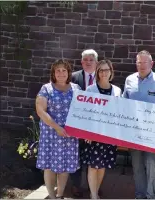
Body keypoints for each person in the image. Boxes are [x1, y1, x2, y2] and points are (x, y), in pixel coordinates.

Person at [122, 50, 155, 199]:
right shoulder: (129, 80)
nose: (142, 65)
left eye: (145, 62)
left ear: (152, 63)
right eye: (139, 62)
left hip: (153, 131)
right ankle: (139, 195)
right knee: (136, 164)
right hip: (134, 130)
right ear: (136, 63)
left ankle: (151, 196)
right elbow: (124, 102)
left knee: (151, 163)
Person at [36, 59, 81, 199]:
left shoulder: (76, 89)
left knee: (65, 166)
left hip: (69, 135)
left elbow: (83, 111)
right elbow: (40, 111)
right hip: (51, 134)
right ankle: (52, 196)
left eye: (64, 70)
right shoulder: (46, 88)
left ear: (69, 73)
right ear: (53, 73)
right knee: (49, 166)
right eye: (58, 70)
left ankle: (60, 194)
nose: (61, 73)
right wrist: (56, 127)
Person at [83, 60, 122, 199]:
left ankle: (96, 191)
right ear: (97, 73)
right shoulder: (90, 90)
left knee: (102, 164)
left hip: (109, 134)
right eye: (101, 70)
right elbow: (85, 112)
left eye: (106, 70)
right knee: (93, 165)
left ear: (111, 71)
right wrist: (87, 131)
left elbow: (119, 113)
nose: (104, 73)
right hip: (93, 133)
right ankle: (93, 195)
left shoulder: (117, 91)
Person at [70, 49, 98, 197]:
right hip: (77, 123)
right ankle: (76, 185)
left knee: (93, 157)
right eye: (85, 60)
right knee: (77, 154)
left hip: (96, 124)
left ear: (96, 63)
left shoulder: (103, 78)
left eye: (91, 60)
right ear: (81, 62)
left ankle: (92, 186)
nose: (88, 62)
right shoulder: (73, 77)